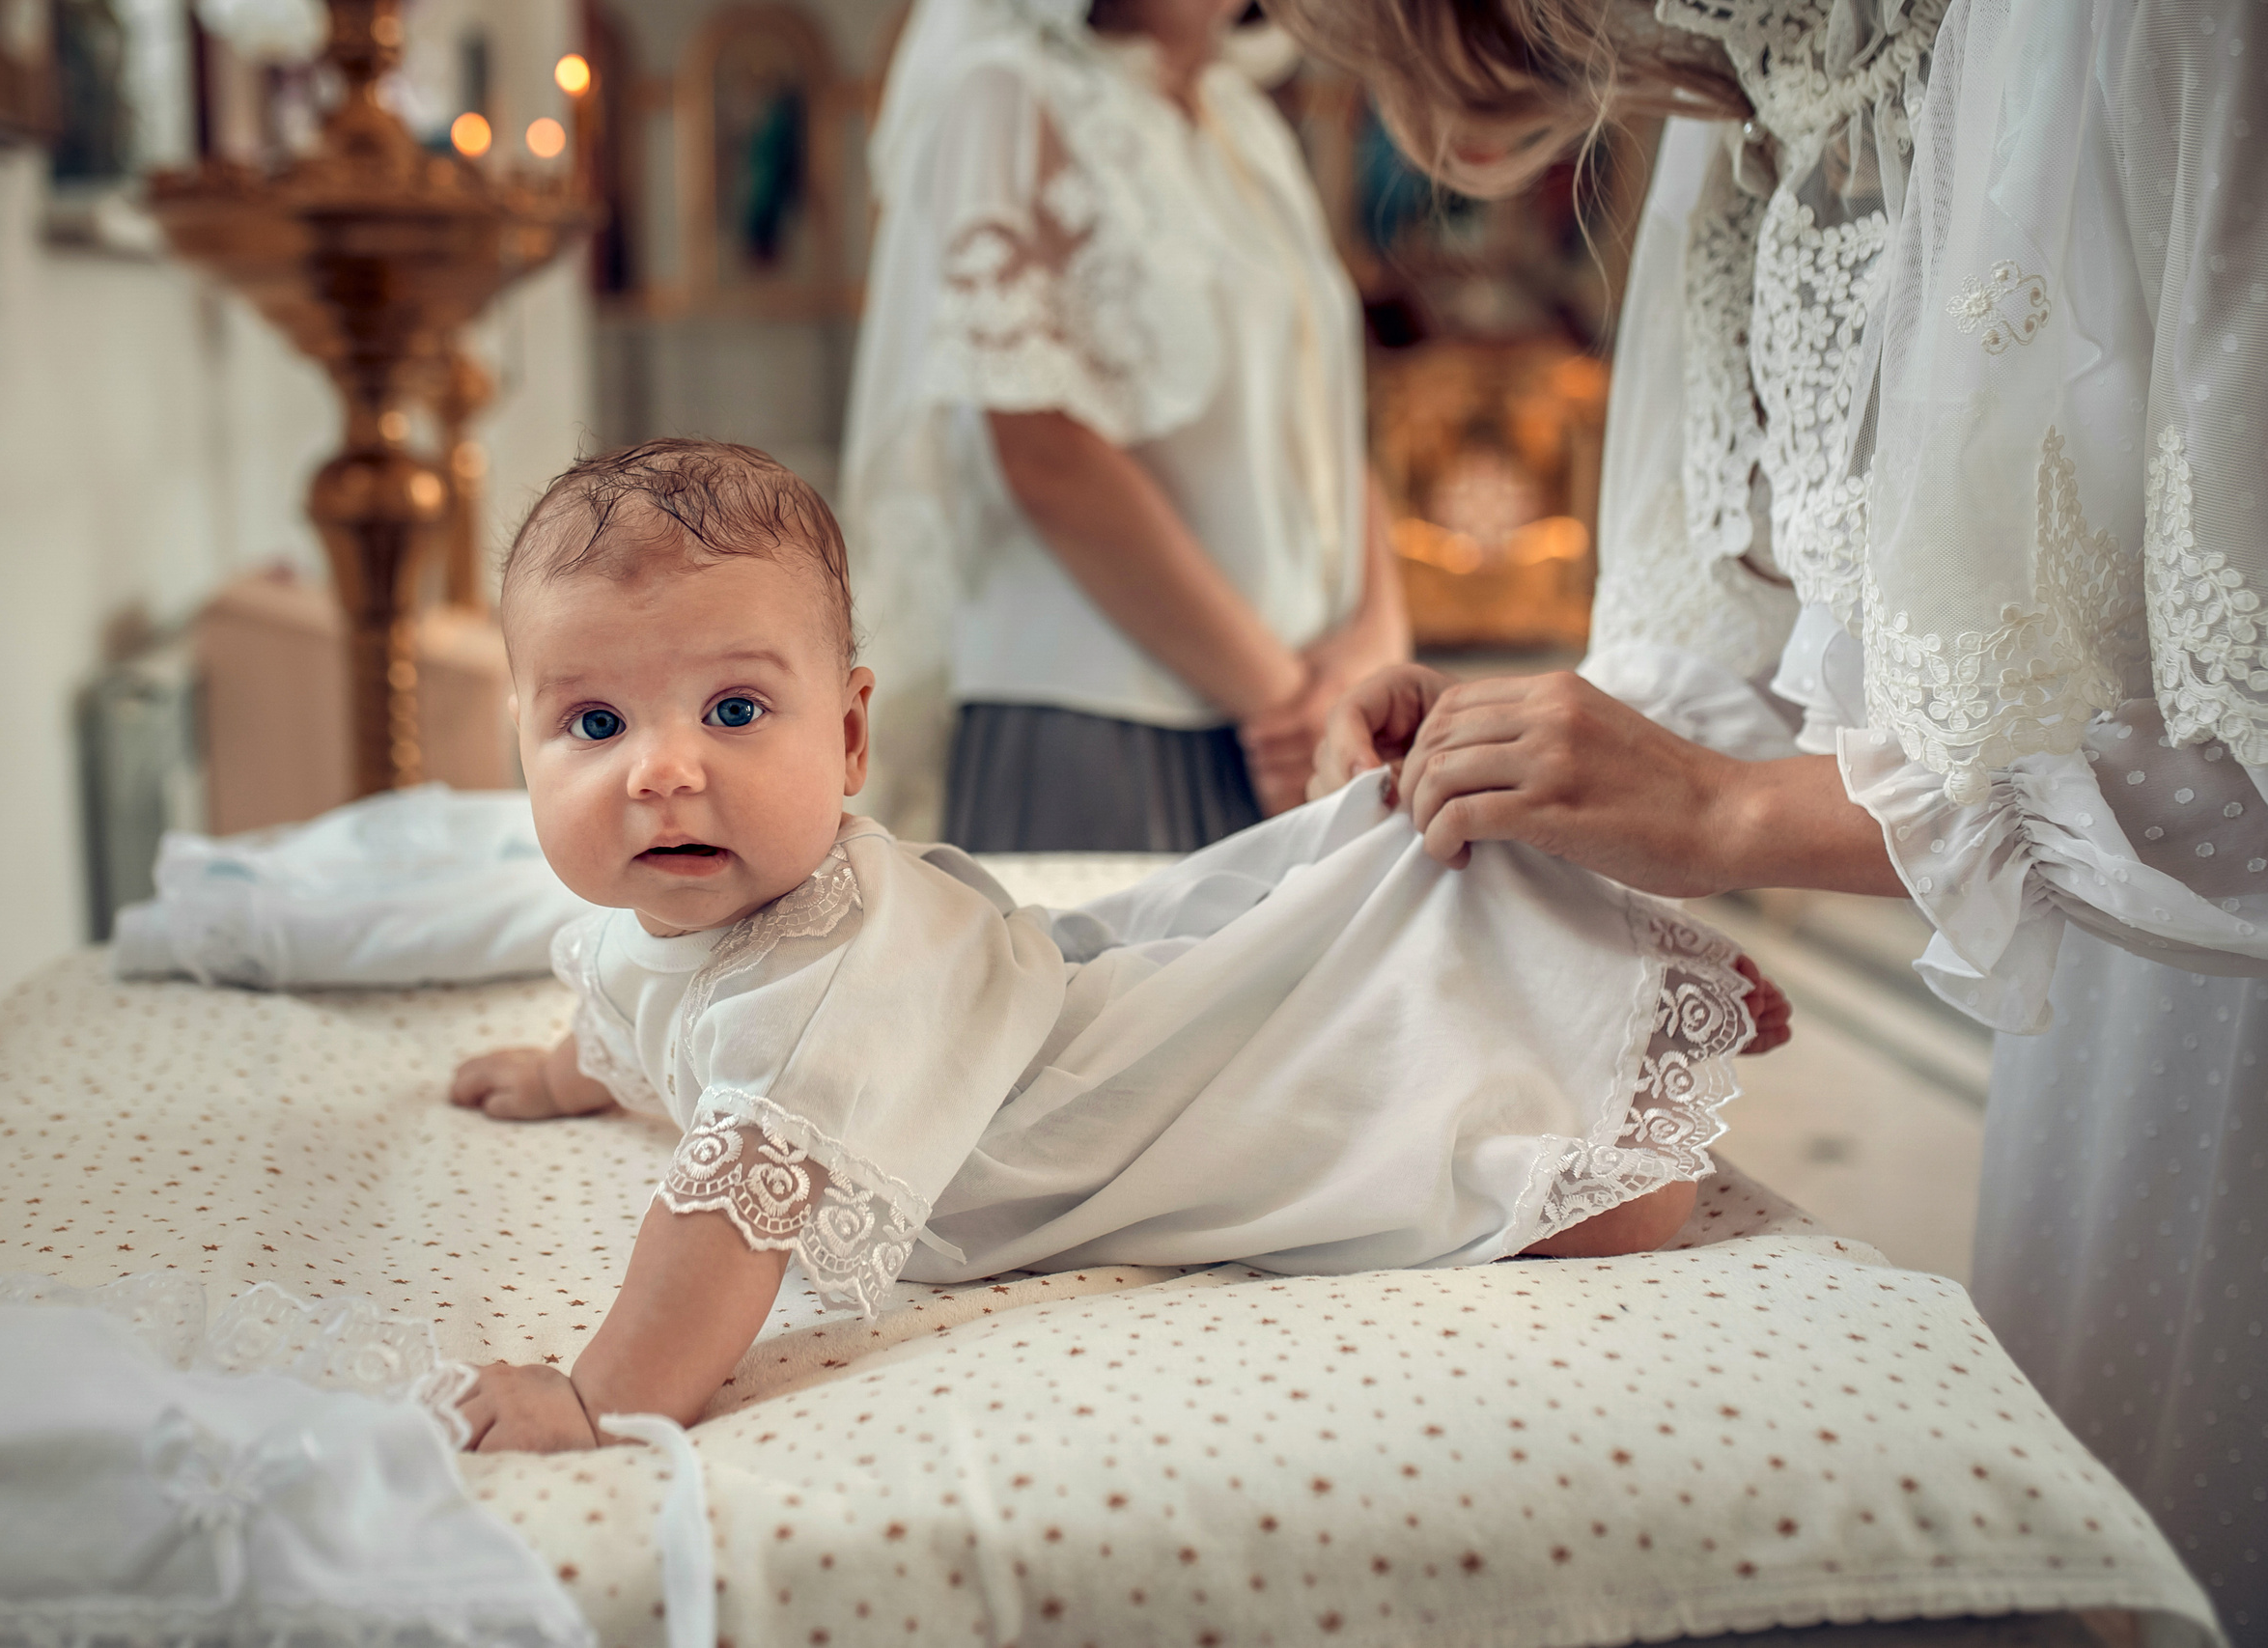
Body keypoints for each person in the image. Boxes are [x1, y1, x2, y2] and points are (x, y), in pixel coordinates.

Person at [1270, 0, 2268, 1633]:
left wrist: (1733, 813)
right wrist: (1534, 757)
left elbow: (2239, 751)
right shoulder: (1745, 69)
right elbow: (1741, 630)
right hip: (2093, 1020)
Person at [441, 439, 1788, 1451]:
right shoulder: (671, 905)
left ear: (849, 736)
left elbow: (725, 1224)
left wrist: (594, 1394)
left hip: (1109, 1100)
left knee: (1378, 1087)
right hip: (1056, 1013)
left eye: (735, 707)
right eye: (596, 724)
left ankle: (1606, 1013)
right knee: (1300, 940)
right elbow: (640, 997)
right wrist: (574, 1072)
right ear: (523, 742)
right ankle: (1600, 987)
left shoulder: (819, 981)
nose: (663, 771)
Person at [840, 0, 1409, 852]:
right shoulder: (1004, 94)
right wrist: (1283, 697)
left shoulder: (1243, 120)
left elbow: (1322, 411)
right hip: (1111, 732)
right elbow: (1041, 449)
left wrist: (1375, 643)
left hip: (1299, 727)